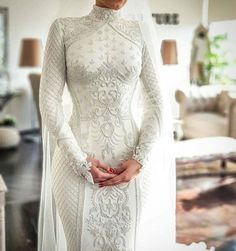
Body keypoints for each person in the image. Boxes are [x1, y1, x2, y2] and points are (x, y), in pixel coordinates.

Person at [37, 0, 179, 250]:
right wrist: (80, 161)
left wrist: (140, 160)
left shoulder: (139, 32)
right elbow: (49, 101)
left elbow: (156, 103)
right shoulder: (63, 29)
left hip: (130, 168)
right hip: (74, 164)